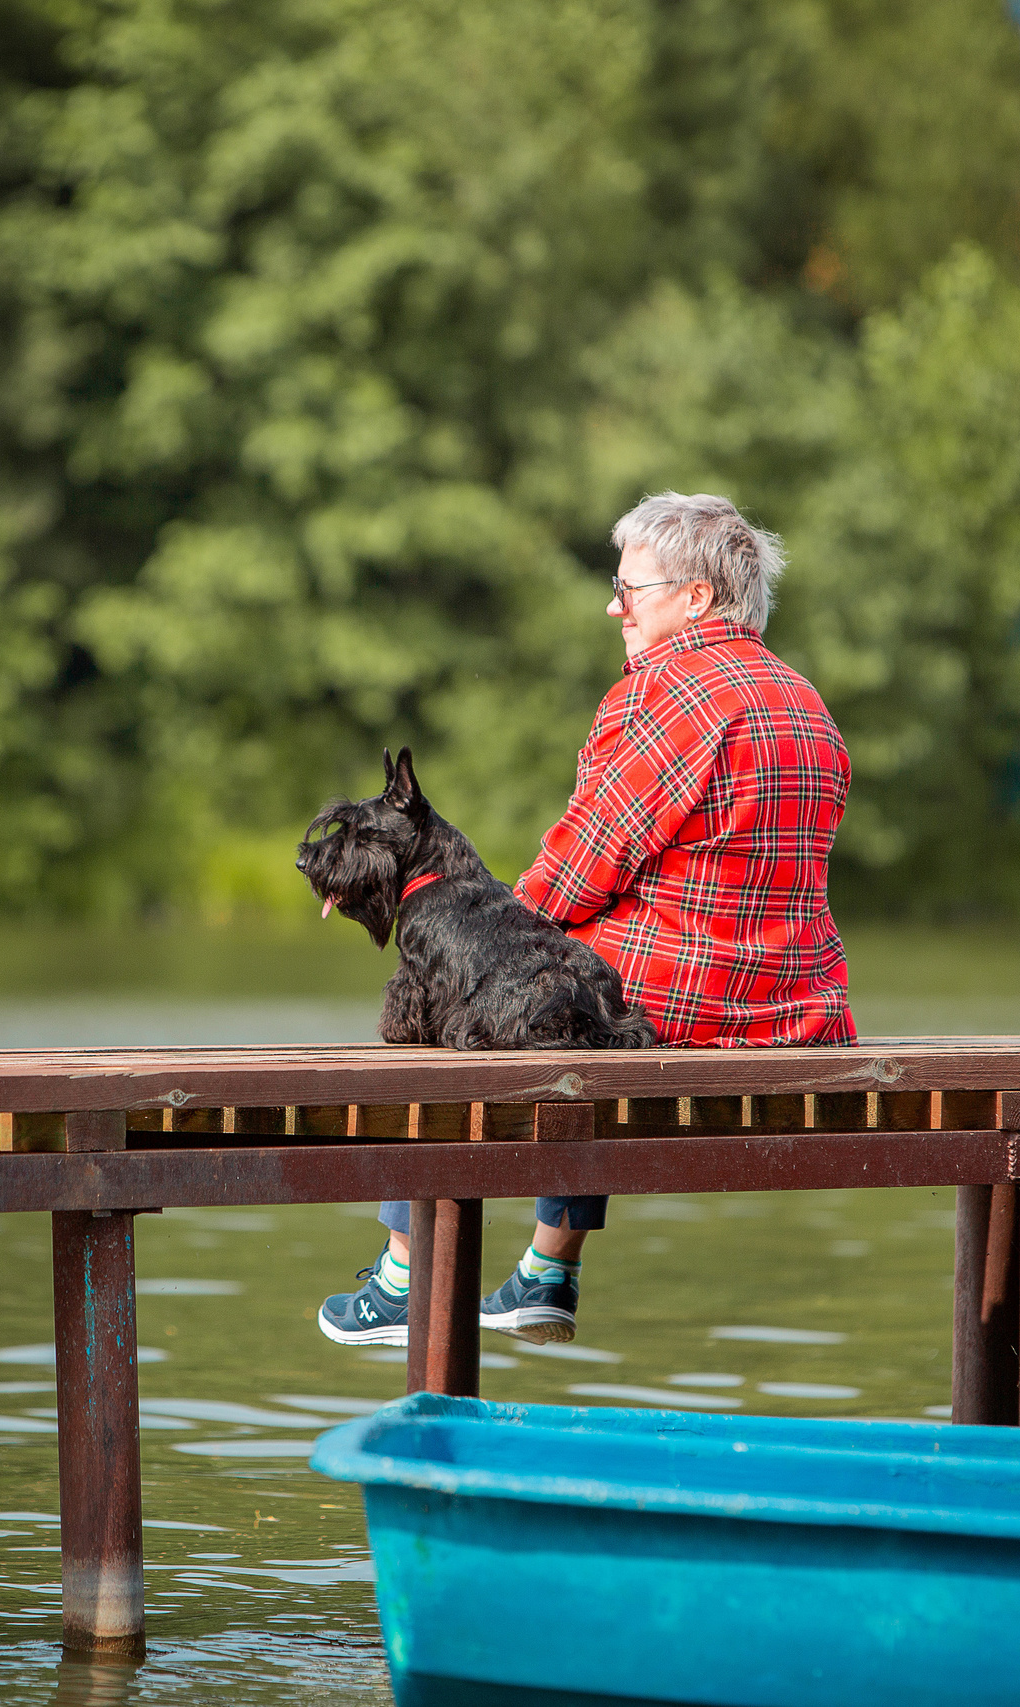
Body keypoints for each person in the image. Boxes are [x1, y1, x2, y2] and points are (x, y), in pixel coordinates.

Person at [318, 491, 855, 1347]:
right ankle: (544, 1270)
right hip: (799, 1014)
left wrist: (482, 930)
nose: (614, 605)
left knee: (486, 992)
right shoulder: (806, 702)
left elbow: (576, 869)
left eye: (629, 588)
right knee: (568, 985)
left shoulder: (665, 695)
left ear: (696, 598)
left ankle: (399, 1278)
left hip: (676, 1013)